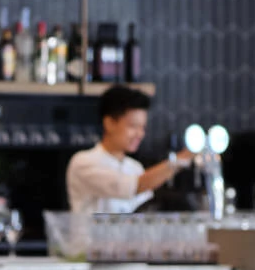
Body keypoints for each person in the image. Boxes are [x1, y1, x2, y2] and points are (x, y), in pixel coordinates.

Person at [64, 84, 191, 216]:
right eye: (133, 126)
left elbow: (145, 210)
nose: (140, 134)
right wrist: (183, 158)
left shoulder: (135, 167)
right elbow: (132, 187)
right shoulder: (83, 162)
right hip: (90, 237)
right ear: (109, 123)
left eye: (143, 128)